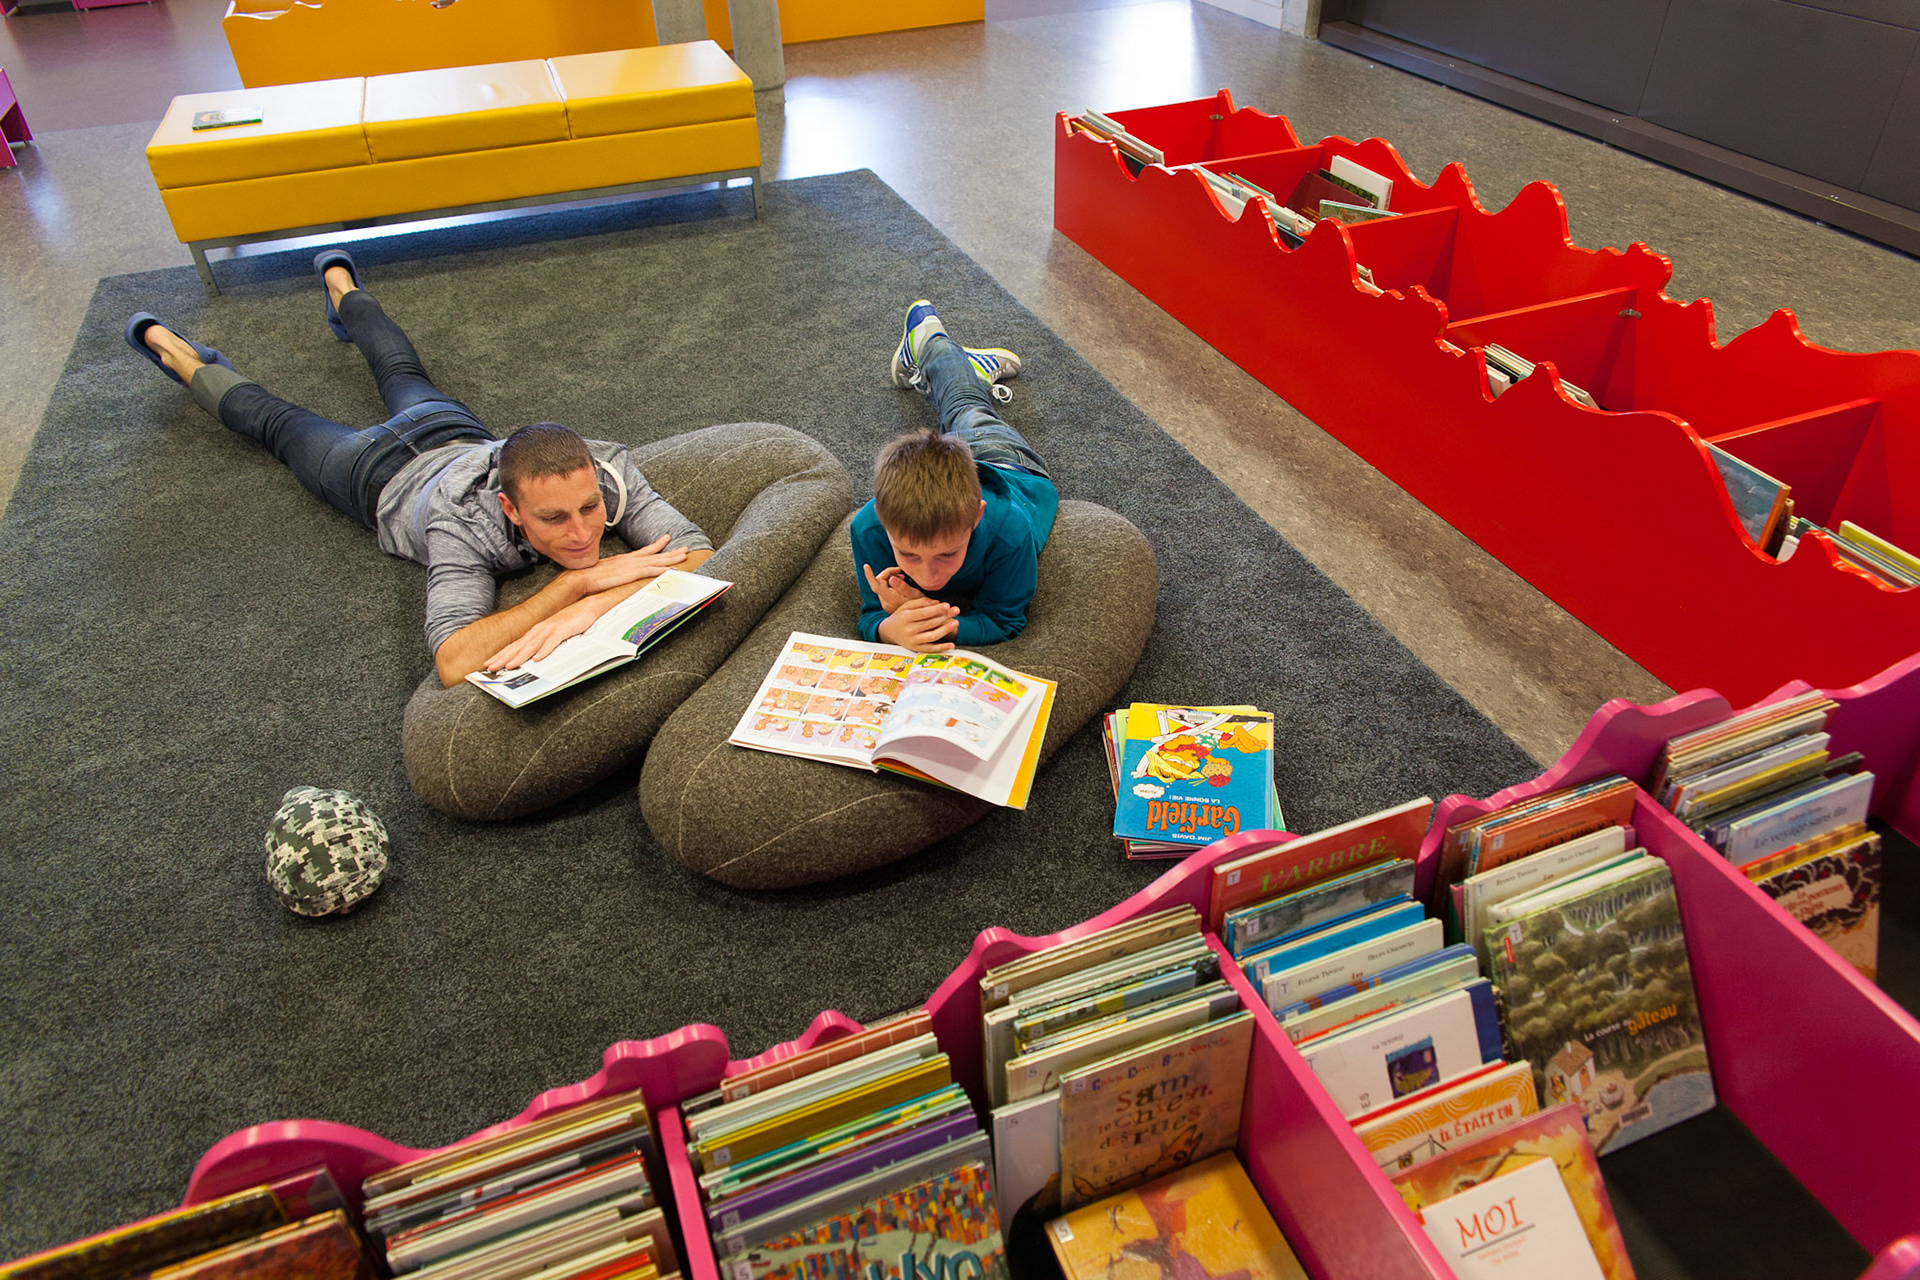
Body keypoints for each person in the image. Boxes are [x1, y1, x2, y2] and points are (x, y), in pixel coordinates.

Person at [125, 249, 713, 687]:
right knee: (278, 424)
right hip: (371, 475)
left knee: (400, 368)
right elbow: (455, 659)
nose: (584, 533)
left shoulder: (606, 467)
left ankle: (340, 282)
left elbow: (703, 556)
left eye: (589, 508)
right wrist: (574, 583)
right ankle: (173, 350)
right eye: (553, 519)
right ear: (509, 508)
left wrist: (592, 605)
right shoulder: (461, 525)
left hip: (449, 433)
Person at [852, 300, 1060, 652]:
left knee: (967, 407)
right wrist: (890, 629)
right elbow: (871, 615)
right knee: (957, 412)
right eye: (909, 555)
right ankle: (964, 367)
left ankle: (934, 342)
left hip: (1006, 461)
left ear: (976, 516)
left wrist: (933, 622)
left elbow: (1004, 619)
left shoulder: (1010, 530)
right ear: (885, 525)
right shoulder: (868, 528)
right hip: (959, 474)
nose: (928, 577)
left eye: (947, 554)